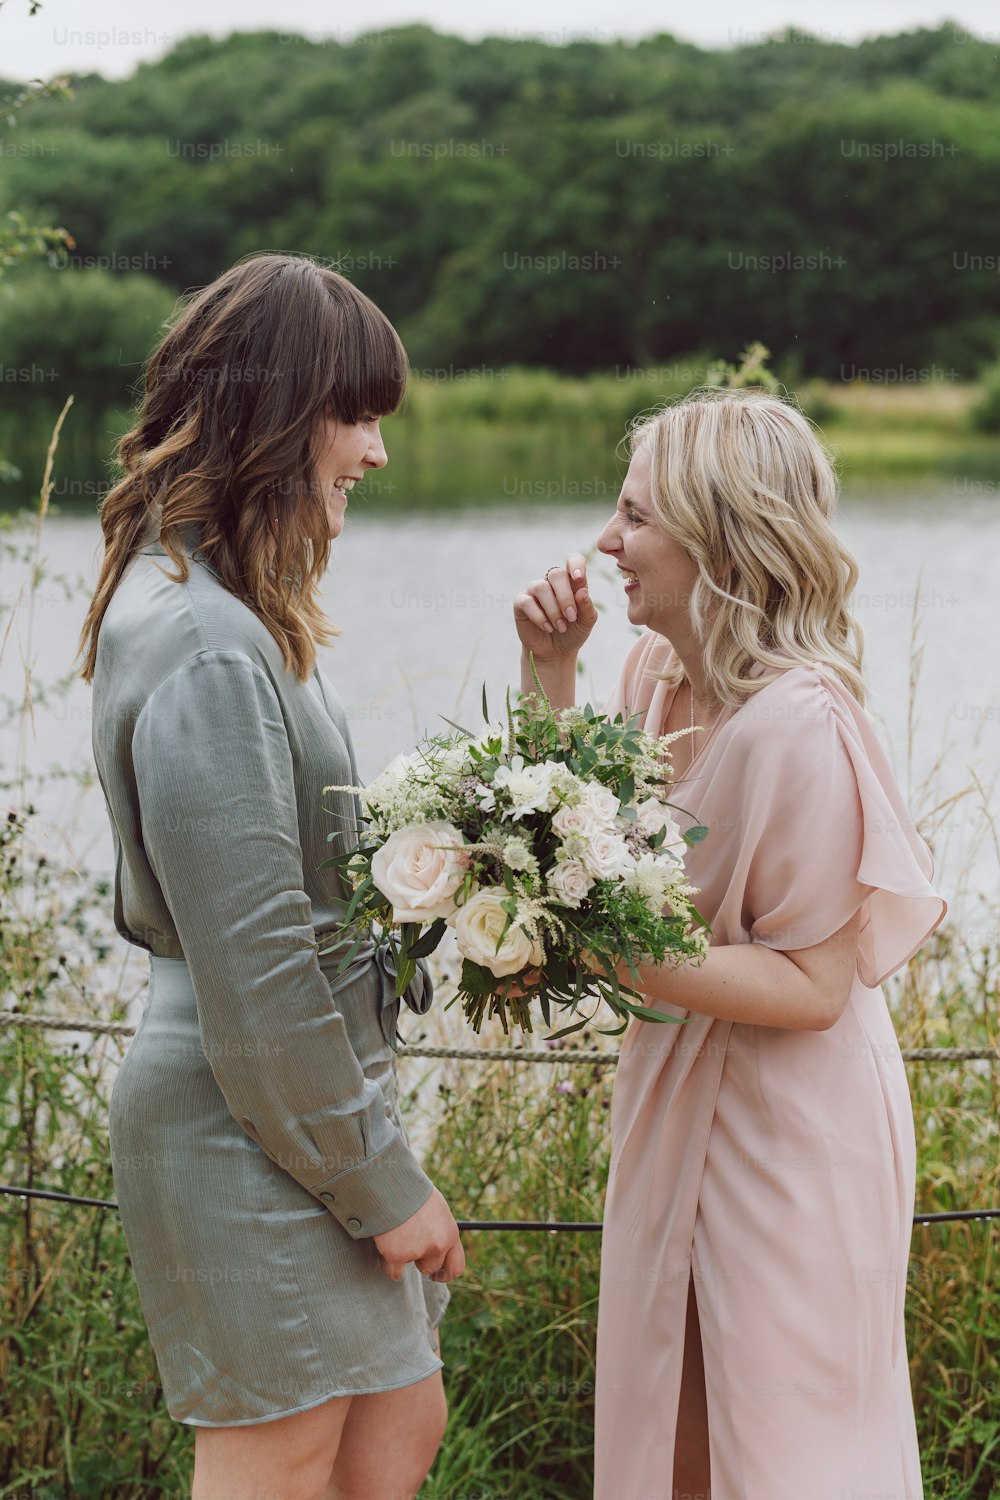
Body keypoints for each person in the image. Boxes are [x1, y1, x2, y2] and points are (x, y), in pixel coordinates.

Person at [75, 252, 464, 1500]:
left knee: (398, 1424)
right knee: (279, 1460)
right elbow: (255, 970)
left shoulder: (229, 609)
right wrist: (378, 1183)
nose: (375, 452)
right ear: (277, 415)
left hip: (293, 1099)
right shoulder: (201, 646)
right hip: (245, 1114)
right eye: (354, 417)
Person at [513, 388, 946, 1500]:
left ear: (718, 538)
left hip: (792, 1124)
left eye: (635, 515)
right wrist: (550, 670)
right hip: (679, 1089)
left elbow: (813, 985)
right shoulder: (653, 679)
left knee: (784, 1441)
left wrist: (594, 951)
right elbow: (583, 844)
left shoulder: (801, 724)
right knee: (677, 1430)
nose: (607, 540)